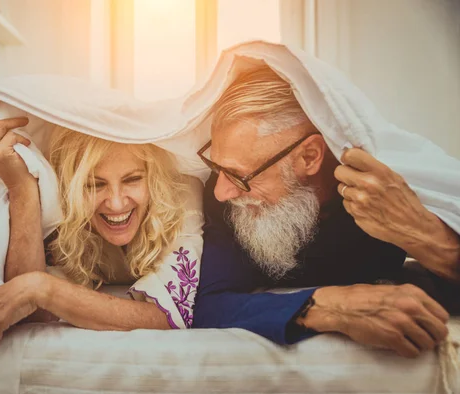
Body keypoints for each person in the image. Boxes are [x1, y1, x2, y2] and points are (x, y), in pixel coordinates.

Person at [192, 65, 460, 358]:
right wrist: (333, 307)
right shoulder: (223, 198)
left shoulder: (382, 191)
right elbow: (205, 304)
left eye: (239, 175)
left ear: (309, 157)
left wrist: (426, 235)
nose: (222, 191)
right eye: (217, 167)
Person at [0, 99, 203, 372]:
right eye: (94, 184)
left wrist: (41, 287)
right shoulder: (58, 204)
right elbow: (26, 310)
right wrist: (21, 186)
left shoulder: (180, 193)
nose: (116, 203)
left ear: (153, 178)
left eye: (132, 179)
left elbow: (165, 317)